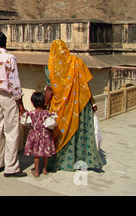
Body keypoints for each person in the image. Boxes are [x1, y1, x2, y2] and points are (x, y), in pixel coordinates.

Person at [44, 39, 104, 172]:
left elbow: (49, 89)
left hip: (60, 107)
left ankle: (61, 163)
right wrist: (92, 101)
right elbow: (86, 85)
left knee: (61, 133)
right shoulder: (77, 63)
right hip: (80, 105)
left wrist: (45, 104)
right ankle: (80, 161)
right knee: (78, 133)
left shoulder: (51, 68)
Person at [0, 31, 27, 177]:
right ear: (5, 42)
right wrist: (20, 103)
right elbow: (14, 82)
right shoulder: (10, 58)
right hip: (7, 96)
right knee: (11, 131)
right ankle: (11, 168)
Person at [21, 92, 57, 177]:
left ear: (33, 103)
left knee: (36, 155)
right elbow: (51, 125)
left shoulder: (31, 114)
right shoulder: (47, 113)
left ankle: (36, 171)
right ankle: (44, 169)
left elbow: (26, 123)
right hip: (45, 135)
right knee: (45, 154)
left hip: (34, 135)